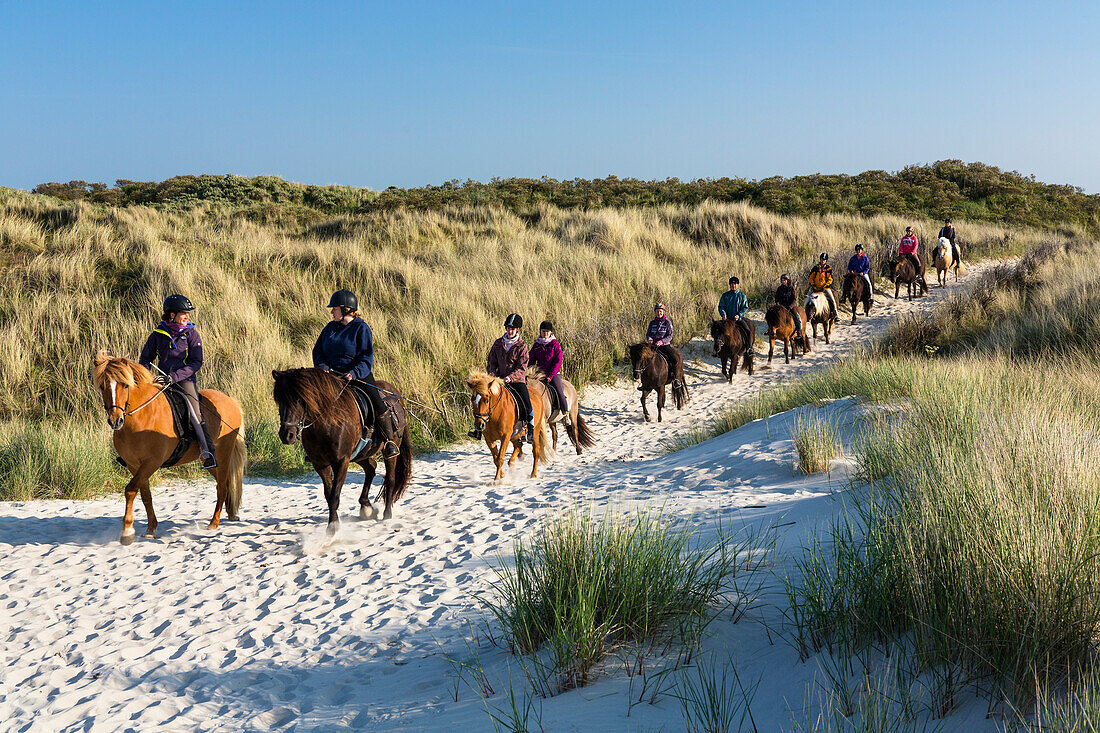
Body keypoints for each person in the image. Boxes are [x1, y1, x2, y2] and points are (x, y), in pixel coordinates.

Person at [312, 289, 399, 459]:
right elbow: (318, 351)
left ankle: (389, 442)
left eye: (334, 308)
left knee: (377, 402)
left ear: (345, 309)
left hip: (357, 375)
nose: (331, 311)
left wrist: (354, 373)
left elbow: (366, 357)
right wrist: (322, 366)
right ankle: (316, 445)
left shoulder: (361, 328)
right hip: (331, 376)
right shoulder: (329, 328)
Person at [139, 294, 217, 469]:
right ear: (172, 314)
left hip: (184, 381)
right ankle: (131, 452)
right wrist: (144, 378)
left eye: (188, 314)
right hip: (160, 380)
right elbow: (145, 359)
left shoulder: (192, 334)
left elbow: (196, 362)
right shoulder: (157, 335)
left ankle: (208, 452)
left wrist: (174, 377)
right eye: (184, 313)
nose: (187, 317)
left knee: (195, 414)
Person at [482, 313, 535, 443]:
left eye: (512, 328)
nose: (510, 331)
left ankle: (529, 429)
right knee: (481, 399)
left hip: (516, 381)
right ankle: (479, 429)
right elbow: (491, 362)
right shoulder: (498, 343)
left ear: (517, 330)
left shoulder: (522, 346)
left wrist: (510, 378)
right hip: (498, 381)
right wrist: (493, 377)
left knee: (526, 402)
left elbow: (522, 367)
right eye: (508, 328)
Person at [528, 321, 568, 414]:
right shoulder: (536, 345)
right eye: (543, 331)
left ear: (551, 332)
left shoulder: (555, 345)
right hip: (539, 374)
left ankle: (565, 412)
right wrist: (529, 371)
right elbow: (531, 360)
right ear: (540, 331)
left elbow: (558, 362)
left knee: (559, 391)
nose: (545, 333)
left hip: (552, 374)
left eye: (547, 331)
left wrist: (550, 375)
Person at [645, 303, 682, 389]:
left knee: (674, 359)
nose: (659, 313)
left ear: (663, 312)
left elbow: (670, 336)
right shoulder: (652, 323)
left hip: (664, 346)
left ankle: (676, 379)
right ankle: (644, 381)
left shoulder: (667, 323)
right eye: (657, 311)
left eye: (660, 311)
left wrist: (661, 341)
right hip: (653, 346)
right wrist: (649, 338)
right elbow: (648, 334)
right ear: (655, 312)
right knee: (643, 359)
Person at [717, 276, 752, 346]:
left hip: (738, 319)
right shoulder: (725, 295)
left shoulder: (742, 296)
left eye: (735, 284)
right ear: (730, 285)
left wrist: (739, 315)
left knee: (748, 332)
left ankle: (749, 348)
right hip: (727, 320)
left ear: (738, 285)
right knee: (717, 332)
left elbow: (745, 307)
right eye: (732, 284)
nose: (733, 285)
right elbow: (721, 306)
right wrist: (723, 314)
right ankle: (718, 349)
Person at [774, 274, 804, 346]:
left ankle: (799, 331)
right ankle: (771, 331)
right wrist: (777, 304)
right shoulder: (779, 288)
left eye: (784, 280)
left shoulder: (791, 288)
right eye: (782, 280)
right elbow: (776, 297)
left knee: (796, 317)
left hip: (790, 306)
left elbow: (794, 298)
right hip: (781, 306)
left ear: (787, 280)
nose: (783, 281)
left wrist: (791, 306)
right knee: (773, 316)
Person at [807, 253, 838, 319]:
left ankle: (836, 313)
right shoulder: (815, 268)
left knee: (832, 299)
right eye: (821, 259)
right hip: (816, 288)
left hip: (825, 288)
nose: (822, 261)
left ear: (826, 261)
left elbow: (830, 279)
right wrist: (813, 285)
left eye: (824, 260)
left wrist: (825, 286)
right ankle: (807, 314)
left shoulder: (828, 268)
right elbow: (810, 277)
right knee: (808, 299)